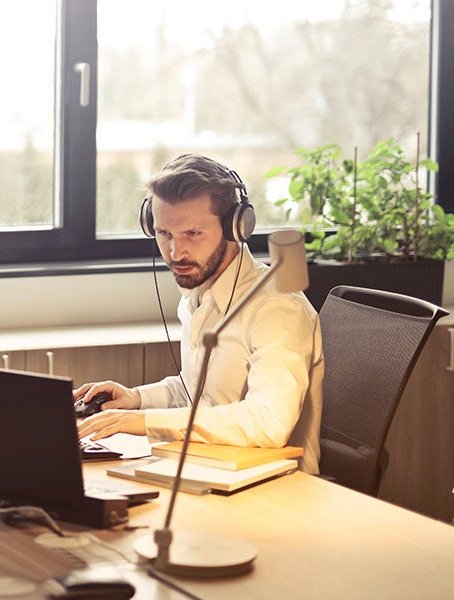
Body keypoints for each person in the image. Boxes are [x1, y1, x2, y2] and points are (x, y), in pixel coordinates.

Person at [75, 154, 323, 473]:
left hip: (275, 487)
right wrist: (136, 399)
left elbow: (268, 423)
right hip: (209, 467)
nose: (176, 253)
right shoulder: (197, 292)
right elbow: (199, 393)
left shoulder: (278, 308)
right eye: (164, 234)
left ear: (236, 227)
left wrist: (146, 421)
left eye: (192, 234)